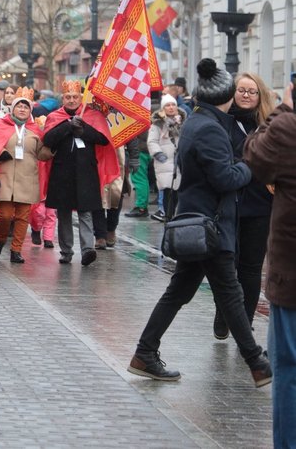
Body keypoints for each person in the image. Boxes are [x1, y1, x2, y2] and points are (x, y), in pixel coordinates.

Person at [128, 59, 272, 387]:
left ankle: (145, 352)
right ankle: (257, 362)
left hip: (200, 222)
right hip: (210, 223)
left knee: (179, 291)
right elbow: (224, 178)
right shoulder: (209, 128)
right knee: (230, 293)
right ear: (226, 96)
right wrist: (248, 164)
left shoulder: (200, 121)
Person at [243, 81, 296, 446]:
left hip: (292, 275)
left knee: (289, 367)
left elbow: (253, 156)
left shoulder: (289, 128)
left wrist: (281, 110)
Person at [213, 71, 275, 339]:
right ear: (233, 93)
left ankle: (245, 324)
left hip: (260, 204)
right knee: (226, 265)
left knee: (250, 268)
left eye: (252, 91)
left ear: (260, 95)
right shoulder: (223, 122)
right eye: (242, 90)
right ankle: (223, 314)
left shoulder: (269, 125)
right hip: (227, 203)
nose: (247, 95)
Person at [42, 80, 117, 266]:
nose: (72, 100)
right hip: (62, 171)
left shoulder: (91, 115)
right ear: (63, 99)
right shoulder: (54, 117)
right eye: (68, 97)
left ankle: (87, 250)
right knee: (64, 212)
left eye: (75, 97)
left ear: (81, 97)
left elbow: (102, 139)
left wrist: (83, 130)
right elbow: (48, 139)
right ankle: (66, 251)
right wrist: (68, 126)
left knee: (86, 212)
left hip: (86, 171)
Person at [0, 88, 53, 263]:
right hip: (5, 177)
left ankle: (16, 250)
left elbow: (42, 154)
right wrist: (0, 153)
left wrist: (52, 147)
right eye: (19, 106)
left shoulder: (35, 130)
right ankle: (1, 240)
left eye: (26, 107)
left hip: (27, 178)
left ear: (30, 111)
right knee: (5, 216)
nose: (22, 109)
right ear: (13, 109)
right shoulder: (2, 125)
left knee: (23, 217)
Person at [147, 94, 185, 222]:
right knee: (168, 191)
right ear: (163, 108)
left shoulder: (183, 121)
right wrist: (158, 154)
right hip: (165, 161)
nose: (171, 107)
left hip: (180, 162)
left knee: (178, 191)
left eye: (173, 104)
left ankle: (175, 216)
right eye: (168, 105)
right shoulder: (157, 124)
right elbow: (152, 141)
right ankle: (167, 217)